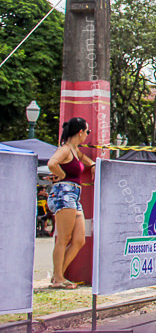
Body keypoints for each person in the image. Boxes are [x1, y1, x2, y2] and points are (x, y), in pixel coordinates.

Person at [45, 118, 95, 289]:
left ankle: (58, 275)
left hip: (73, 194)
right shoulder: (65, 149)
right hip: (64, 192)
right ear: (80, 132)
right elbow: (52, 163)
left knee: (79, 239)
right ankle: (58, 278)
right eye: (87, 132)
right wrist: (61, 175)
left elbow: (83, 158)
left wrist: (93, 164)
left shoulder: (74, 150)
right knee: (64, 238)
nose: (88, 136)